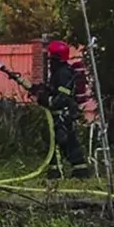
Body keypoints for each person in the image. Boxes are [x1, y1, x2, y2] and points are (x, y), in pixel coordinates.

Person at [29, 39, 91, 179]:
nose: (49, 61)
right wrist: (42, 90)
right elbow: (56, 90)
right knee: (65, 143)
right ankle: (76, 170)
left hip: (62, 115)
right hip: (61, 115)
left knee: (60, 143)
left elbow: (63, 96)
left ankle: (59, 172)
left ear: (56, 58)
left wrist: (46, 100)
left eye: (51, 58)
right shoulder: (60, 72)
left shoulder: (62, 73)